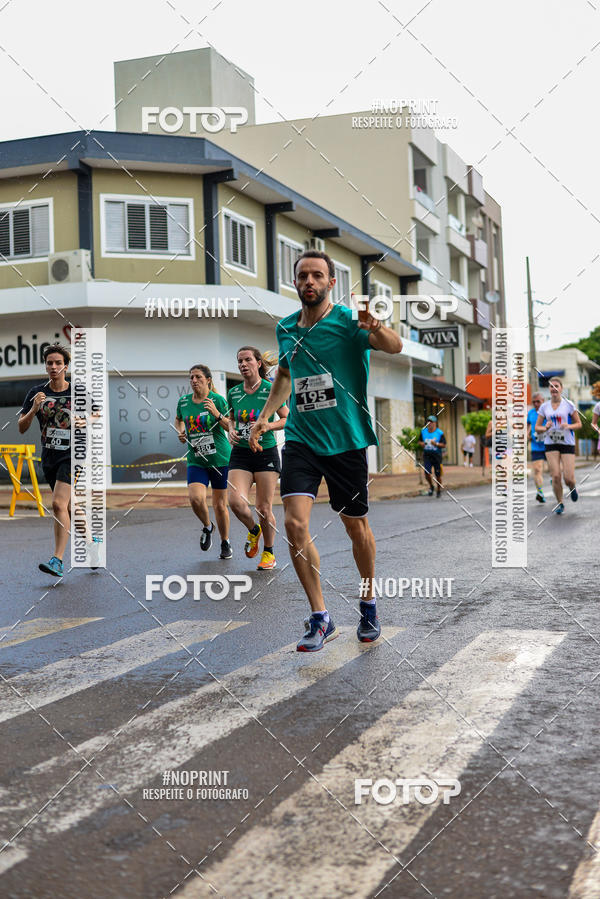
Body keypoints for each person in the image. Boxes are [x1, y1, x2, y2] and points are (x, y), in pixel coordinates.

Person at [250, 250, 403, 652]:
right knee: (295, 525)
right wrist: (266, 417)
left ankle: (368, 601)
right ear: (296, 281)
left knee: (357, 528)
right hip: (301, 438)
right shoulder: (286, 328)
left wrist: (377, 326)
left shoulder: (348, 322)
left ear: (331, 282)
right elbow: (285, 373)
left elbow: (394, 345)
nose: (310, 282)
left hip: (346, 441)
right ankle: (321, 616)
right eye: (303, 276)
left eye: (318, 275)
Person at [18, 344, 99, 577]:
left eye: (57, 363)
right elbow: (21, 428)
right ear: (46, 366)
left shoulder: (78, 391)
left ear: (66, 366)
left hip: (73, 454)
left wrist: (87, 421)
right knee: (69, 505)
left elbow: (96, 413)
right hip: (50, 455)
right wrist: (33, 409)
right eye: (49, 363)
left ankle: (58, 560)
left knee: (57, 504)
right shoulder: (36, 392)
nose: (53, 367)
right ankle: (92, 545)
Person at [227, 347, 288, 571]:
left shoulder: (271, 389)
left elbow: (286, 419)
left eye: (247, 360)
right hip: (241, 453)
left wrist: (266, 425)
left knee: (263, 507)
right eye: (239, 361)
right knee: (235, 502)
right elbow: (232, 417)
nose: (243, 364)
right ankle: (254, 530)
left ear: (258, 363)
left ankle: (269, 552)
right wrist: (231, 429)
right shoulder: (233, 393)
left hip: (265, 452)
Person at [175, 364, 232, 558]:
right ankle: (208, 527)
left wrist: (217, 413)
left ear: (208, 380)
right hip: (196, 458)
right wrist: (180, 432)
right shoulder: (183, 402)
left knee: (219, 505)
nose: (194, 381)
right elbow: (178, 420)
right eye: (191, 377)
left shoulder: (218, 400)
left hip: (220, 458)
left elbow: (229, 426)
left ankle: (225, 542)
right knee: (195, 498)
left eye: (198, 377)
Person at [535, 377, 581, 515]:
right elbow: (537, 427)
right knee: (555, 476)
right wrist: (545, 427)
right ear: (549, 389)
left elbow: (579, 424)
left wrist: (569, 425)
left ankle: (572, 487)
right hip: (551, 443)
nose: (553, 389)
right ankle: (560, 502)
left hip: (567, 443)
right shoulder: (544, 407)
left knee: (568, 478)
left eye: (556, 386)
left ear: (561, 388)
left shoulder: (569, 404)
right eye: (551, 386)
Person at [419, 415, 446, 496]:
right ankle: (431, 486)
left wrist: (436, 444)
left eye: (431, 422)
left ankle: (438, 489)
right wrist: (422, 444)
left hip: (437, 456)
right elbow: (419, 441)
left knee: (438, 474)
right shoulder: (423, 431)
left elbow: (444, 444)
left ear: (435, 423)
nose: (429, 423)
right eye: (428, 422)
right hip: (427, 455)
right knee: (427, 473)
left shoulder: (440, 433)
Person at [527, 392, 547, 503]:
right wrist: (527, 434)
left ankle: (555, 483)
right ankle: (540, 492)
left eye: (538, 401)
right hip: (536, 445)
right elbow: (528, 426)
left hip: (549, 445)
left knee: (555, 471)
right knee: (537, 469)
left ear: (543, 401)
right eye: (533, 402)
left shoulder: (548, 412)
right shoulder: (530, 413)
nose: (536, 404)